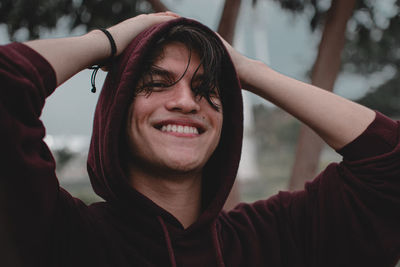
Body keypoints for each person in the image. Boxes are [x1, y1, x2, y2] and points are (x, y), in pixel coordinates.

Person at [0, 12, 399, 267]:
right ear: (116, 111)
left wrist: (247, 69)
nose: (187, 102)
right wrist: (113, 39)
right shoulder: (60, 235)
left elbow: (389, 163)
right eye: (157, 83)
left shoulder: (275, 238)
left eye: (208, 88)